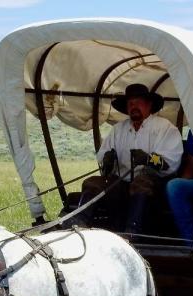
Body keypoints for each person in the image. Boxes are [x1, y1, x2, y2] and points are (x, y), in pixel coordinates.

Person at [73, 83, 182, 233]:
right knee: (93, 183)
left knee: (141, 183)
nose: (133, 106)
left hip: (155, 185)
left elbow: (170, 163)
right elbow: (103, 157)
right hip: (122, 184)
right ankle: (77, 224)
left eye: (138, 102)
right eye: (130, 104)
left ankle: (131, 233)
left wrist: (148, 159)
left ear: (149, 105)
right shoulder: (118, 129)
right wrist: (107, 160)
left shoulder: (165, 128)